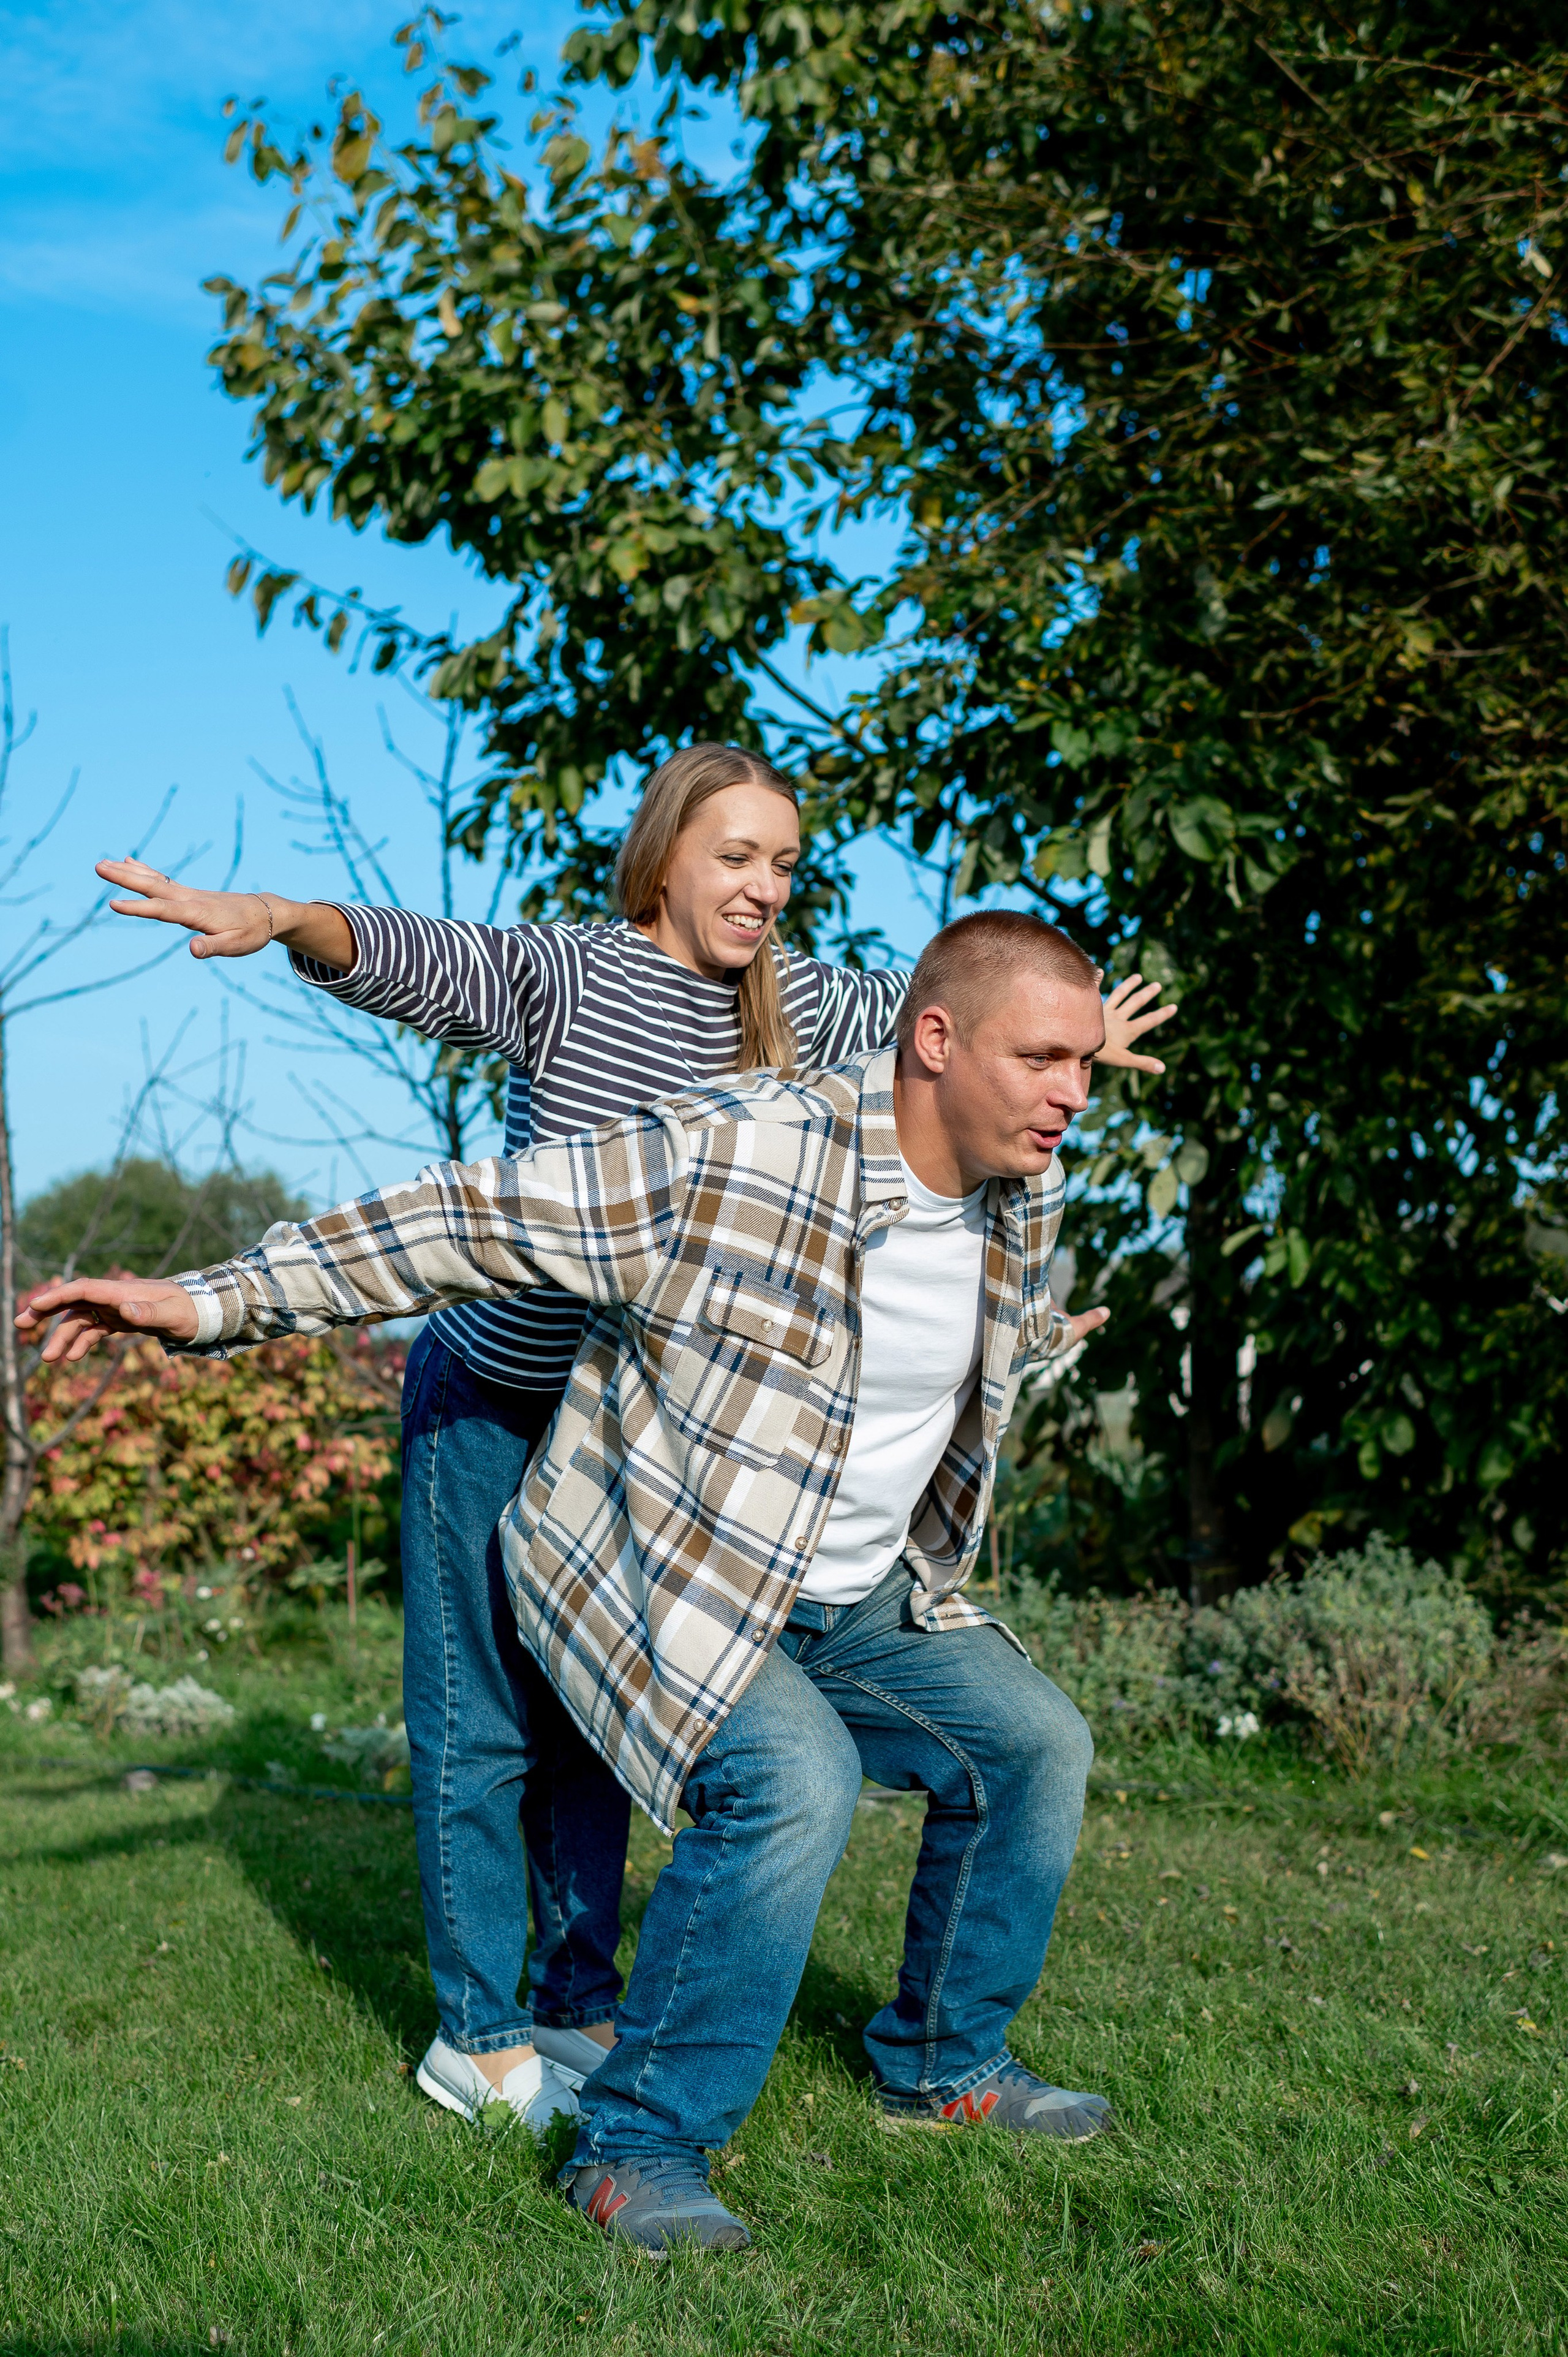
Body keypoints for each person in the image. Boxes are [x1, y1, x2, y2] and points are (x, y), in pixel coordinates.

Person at [93, 748, 1175, 2138]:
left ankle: (587, 2003)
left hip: (675, 1421)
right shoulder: (573, 977)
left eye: (786, 866)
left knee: (608, 1740)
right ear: (663, 853)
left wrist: (1058, 1036)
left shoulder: (813, 1004)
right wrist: (289, 919)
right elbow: (425, 977)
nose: (765, 889)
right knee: (486, 1731)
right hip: (508, 1392)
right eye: (737, 857)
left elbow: (945, 1026)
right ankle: (483, 2036)